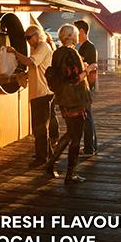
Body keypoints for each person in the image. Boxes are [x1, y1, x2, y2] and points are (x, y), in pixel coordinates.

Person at [45, 24, 97, 183]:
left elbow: (64, 75)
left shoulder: (57, 53)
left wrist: (82, 68)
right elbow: (74, 79)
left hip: (63, 99)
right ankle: (70, 174)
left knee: (70, 133)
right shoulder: (72, 53)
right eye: (75, 34)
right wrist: (88, 70)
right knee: (76, 137)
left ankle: (51, 162)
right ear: (72, 36)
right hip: (75, 100)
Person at [7, 25, 54, 167]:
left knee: (40, 127)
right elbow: (37, 69)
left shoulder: (43, 46)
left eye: (29, 38)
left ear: (37, 35)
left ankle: (42, 158)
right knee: (39, 127)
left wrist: (15, 52)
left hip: (43, 93)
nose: (27, 41)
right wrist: (25, 75)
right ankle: (46, 153)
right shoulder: (36, 48)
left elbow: (30, 62)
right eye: (25, 38)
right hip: (38, 93)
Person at [74, 20, 98, 156]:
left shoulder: (88, 47)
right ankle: (92, 146)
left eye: (76, 31)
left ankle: (89, 148)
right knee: (88, 116)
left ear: (82, 31)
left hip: (87, 87)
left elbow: (93, 66)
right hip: (85, 86)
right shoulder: (82, 46)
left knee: (87, 116)